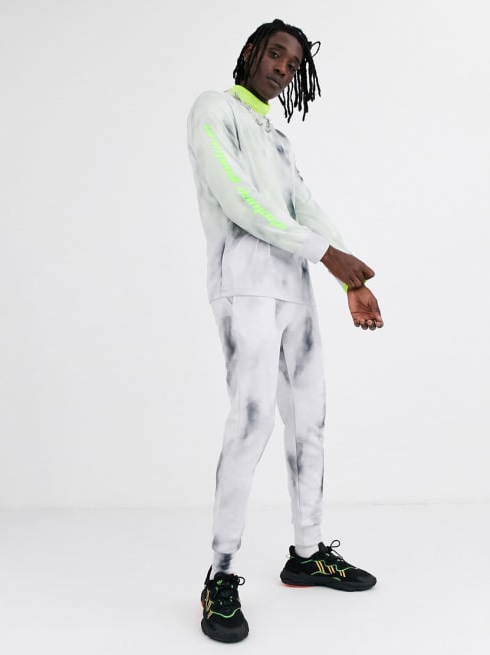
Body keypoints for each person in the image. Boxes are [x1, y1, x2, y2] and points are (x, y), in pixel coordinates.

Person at [187, 18, 384, 644]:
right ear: (251, 51)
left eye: (294, 64)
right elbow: (239, 202)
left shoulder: (275, 137)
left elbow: (304, 206)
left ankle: (307, 553)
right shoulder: (213, 110)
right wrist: (328, 255)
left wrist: (350, 278)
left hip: (293, 287)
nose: (283, 68)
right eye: (276, 54)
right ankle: (220, 574)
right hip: (244, 285)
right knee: (252, 422)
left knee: (310, 419)